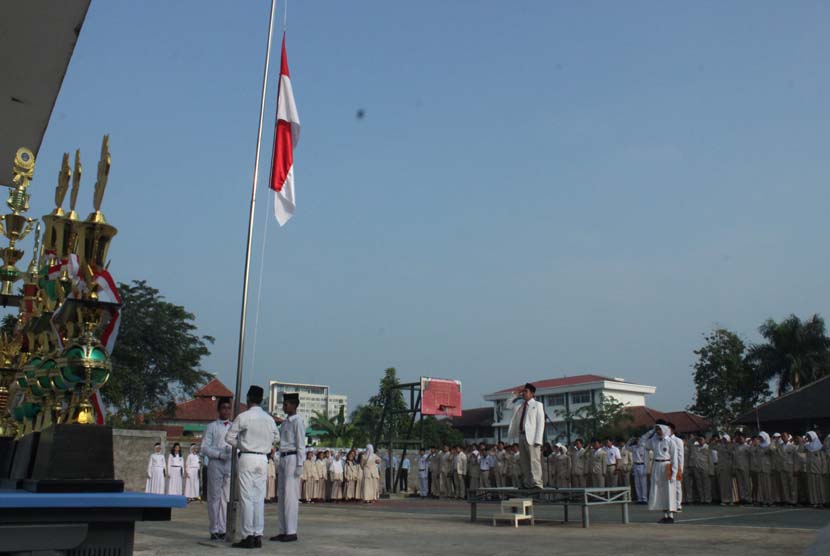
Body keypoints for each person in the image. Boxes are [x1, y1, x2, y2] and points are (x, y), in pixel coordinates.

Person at [225, 385, 278, 549]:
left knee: (247, 498)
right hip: (263, 459)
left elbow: (229, 438)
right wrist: (265, 445)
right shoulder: (269, 418)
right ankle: (257, 534)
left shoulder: (244, 416)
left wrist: (242, 444)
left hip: (247, 457)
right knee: (258, 498)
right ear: (261, 400)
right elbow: (277, 437)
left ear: (248, 399)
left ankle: (248, 535)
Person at [269, 392, 305, 542]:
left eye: (286, 404)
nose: (284, 406)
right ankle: (283, 529)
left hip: (292, 457)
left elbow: (301, 444)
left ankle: (291, 531)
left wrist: (300, 464)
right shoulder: (285, 422)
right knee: (282, 496)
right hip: (283, 458)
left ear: (294, 405)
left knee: (290, 496)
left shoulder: (298, 421)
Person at [201, 397, 233, 541]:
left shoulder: (233, 426)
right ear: (219, 409)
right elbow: (204, 447)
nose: (226, 410)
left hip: (230, 462)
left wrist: (232, 452)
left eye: (228, 408)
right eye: (224, 408)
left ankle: (223, 528)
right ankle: (214, 528)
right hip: (216, 462)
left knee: (226, 498)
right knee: (214, 497)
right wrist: (219, 454)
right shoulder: (211, 426)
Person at [507, 383, 545, 489]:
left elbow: (540, 423)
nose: (524, 393)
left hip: (532, 438)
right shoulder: (519, 404)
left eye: (526, 391)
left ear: (532, 393)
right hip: (522, 435)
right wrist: (515, 395)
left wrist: (538, 439)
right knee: (524, 461)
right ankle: (528, 482)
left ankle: (537, 483)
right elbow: (508, 405)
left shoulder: (537, 405)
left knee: (534, 461)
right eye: (523, 391)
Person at [641, 424, 679, 523]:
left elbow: (675, 458)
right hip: (656, 465)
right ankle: (665, 515)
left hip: (667, 465)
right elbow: (642, 442)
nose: (658, 432)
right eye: (657, 430)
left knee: (669, 490)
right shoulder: (653, 440)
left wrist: (674, 474)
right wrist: (650, 431)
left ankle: (670, 515)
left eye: (660, 429)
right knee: (659, 491)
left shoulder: (671, 442)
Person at [631, 438, 648, 503]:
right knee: (637, 483)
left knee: (643, 483)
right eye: (637, 440)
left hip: (642, 465)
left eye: (639, 440)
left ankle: (644, 498)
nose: (638, 441)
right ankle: (639, 498)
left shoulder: (644, 448)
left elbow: (646, 459)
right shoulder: (633, 447)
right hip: (635, 465)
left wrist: (646, 468)